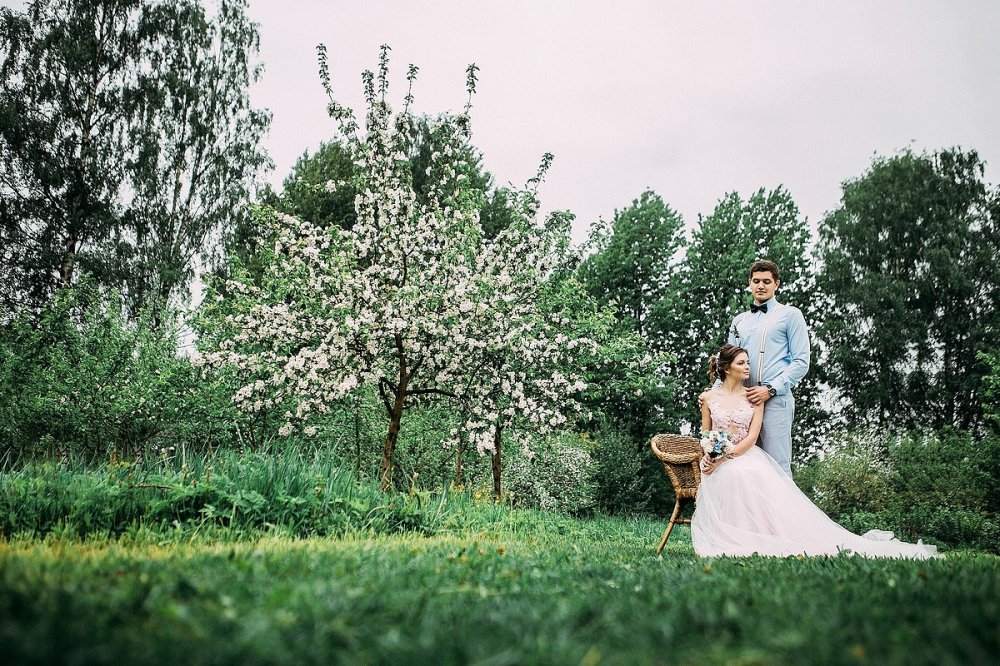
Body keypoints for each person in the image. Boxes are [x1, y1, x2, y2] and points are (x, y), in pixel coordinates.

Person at [691, 344, 937, 559]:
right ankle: (728, 534)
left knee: (742, 475)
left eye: (748, 363)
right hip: (717, 460)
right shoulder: (708, 397)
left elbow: (753, 437)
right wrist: (711, 457)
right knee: (726, 475)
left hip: (744, 455)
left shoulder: (755, 396)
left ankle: (757, 536)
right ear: (726, 368)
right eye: (742, 363)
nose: (748, 367)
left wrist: (727, 455)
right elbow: (706, 434)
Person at [718, 259, 810, 475]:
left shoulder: (791, 315)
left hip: (776, 401)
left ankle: (784, 510)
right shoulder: (739, 320)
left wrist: (770, 389)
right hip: (742, 403)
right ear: (750, 283)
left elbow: (801, 361)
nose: (761, 286)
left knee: (777, 468)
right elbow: (726, 361)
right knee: (743, 467)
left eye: (767, 281)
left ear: (776, 284)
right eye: (756, 281)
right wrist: (714, 391)